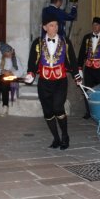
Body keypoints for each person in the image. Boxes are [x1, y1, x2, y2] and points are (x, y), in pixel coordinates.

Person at [25, 13, 80, 150]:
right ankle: (56, 138)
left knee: (58, 108)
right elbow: (32, 61)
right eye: (51, 25)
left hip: (60, 81)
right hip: (44, 82)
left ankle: (65, 136)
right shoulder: (37, 43)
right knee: (48, 112)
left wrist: (76, 76)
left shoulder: (65, 41)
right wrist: (30, 73)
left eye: (56, 25)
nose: (55, 28)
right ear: (45, 27)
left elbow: (72, 60)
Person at [77, 17, 100, 119]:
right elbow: (81, 53)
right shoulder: (86, 38)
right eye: (93, 25)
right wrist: (79, 67)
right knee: (87, 91)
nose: (95, 27)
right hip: (88, 69)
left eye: (97, 25)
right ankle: (88, 112)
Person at [0, 42, 25, 117]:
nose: (11, 54)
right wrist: (2, 71)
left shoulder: (15, 58)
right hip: (2, 77)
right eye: (8, 53)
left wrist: (12, 73)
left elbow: (21, 72)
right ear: (4, 54)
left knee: (4, 82)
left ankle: (5, 106)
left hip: (11, 78)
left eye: (11, 52)